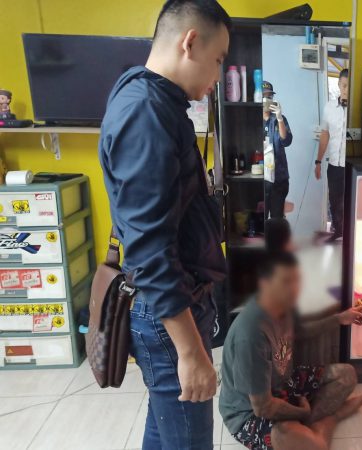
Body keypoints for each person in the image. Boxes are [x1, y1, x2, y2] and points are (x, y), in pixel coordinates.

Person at [98, 1, 231, 448]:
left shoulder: (154, 101)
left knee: (165, 431)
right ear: (190, 42)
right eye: (218, 59)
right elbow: (149, 246)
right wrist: (190, 352)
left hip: (173, 306)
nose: (217, 76)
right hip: (170, 314)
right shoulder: (146, 111)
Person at [219, 252, 362, 450]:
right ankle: (330, 419)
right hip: (248, 413)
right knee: (302, 442)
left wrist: (339, 319)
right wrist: (302, 412)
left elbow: (300, 331)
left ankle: (308, 429)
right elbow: (262, 407)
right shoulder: (251, 334)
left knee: (346, 375)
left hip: (284, 385)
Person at [315, 69, 349, 242]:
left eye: (349, 86)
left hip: (351, 165)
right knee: (335, 200)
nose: (346, 89)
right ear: (339, 84)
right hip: (334, 164)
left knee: (350, 201)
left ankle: (350, 234)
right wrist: (318, 161)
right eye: (344, 85)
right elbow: (325, 134)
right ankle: (338, 231)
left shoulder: (356, 109)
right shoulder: (329, 107)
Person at [263, 81, 293, 219]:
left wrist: (280, 118)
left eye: (269, 97)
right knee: (260, 220)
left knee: (277, 219)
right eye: (263, 96)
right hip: (260, 179)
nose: (266, 100)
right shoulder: (251, 117)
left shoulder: (279, 119)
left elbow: (286, 141)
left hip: (279, 178)